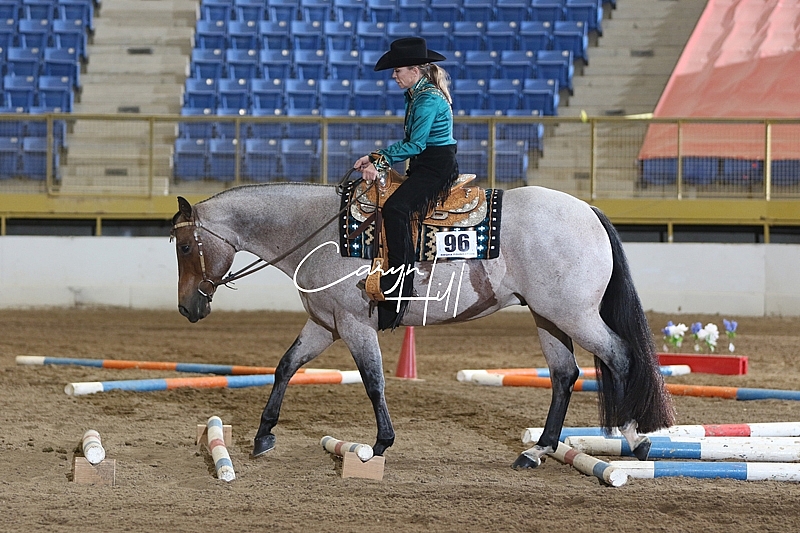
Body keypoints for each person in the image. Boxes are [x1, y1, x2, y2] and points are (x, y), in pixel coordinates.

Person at [353, 37, 459, 331]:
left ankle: (399, 281)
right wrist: (375, 158)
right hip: (425, 164)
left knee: (396, 209)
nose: (394, 76)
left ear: (415, 70)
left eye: (398, 70)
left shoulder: (427, 99)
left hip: (435, 167)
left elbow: (415, 144)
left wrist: (379, 161)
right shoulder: (416, 94)